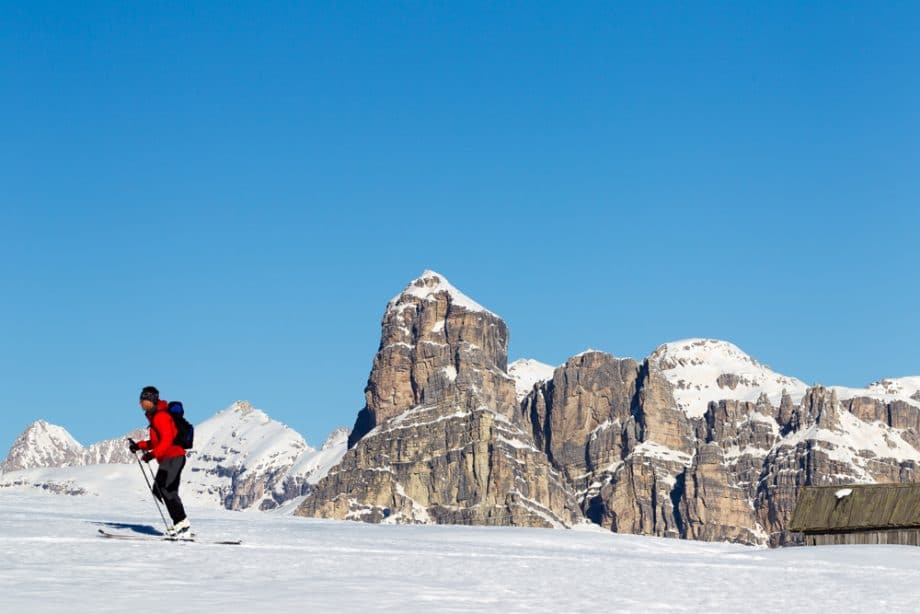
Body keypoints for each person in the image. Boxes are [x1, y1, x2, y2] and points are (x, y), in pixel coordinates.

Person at [128, 386, 191, 538]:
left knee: (167, 489)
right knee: (160, 489)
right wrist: (139, 446)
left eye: (143, 400)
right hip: (168, 458)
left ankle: (182, 525)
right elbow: (157, 441)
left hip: (174, 456)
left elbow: (167, 440)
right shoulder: (155, 417)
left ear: (151, 400)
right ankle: (179, 523)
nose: (141, 404)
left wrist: (152, 455)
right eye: (141, 400)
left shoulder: (161, 417)